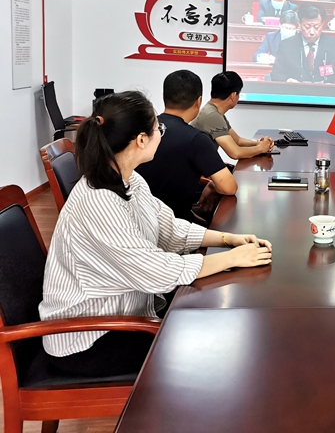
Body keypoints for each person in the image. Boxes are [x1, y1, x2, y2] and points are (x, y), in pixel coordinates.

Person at [39, 91, 272, 377]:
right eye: (157, 128)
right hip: (89, 337)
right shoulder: (99, 201)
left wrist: (228, 239)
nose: (161, 133)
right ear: (141, 140)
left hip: (126, 315)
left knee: (213, 327)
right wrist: (234, 258)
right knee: (215, 354)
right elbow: (158, 271)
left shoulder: (129, 179)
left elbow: (170, 229)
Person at [136, 70, 237, 224]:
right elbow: (229, 187)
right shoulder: (196, 139)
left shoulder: (140, 130)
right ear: (198, 101)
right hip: (173, 226)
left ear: (164, 97)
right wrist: (212, 186)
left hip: (135, 220)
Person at [191, 71, 275, 159]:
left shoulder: (214, 112)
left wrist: (258, 143)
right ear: (233, 95)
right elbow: (235, 153)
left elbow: (237, 141)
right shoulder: (212, 115)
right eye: (239, 94)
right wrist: (260, 148)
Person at [270, 3, 335, 84]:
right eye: (307, 27)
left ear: (322, 24)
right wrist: (287, 80)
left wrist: (332, 86)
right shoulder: (286, 45)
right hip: (295, 91)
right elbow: (276, 74)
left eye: (316, 27)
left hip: (325, 92)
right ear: (300, 24)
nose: (312, 32)